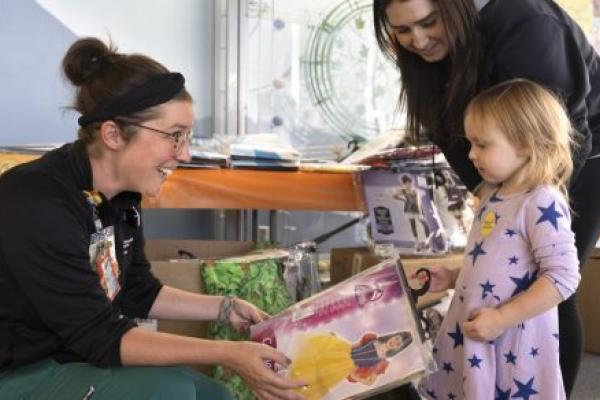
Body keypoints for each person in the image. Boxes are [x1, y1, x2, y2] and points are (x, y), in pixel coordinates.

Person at [0, 37, 307, 400]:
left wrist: (225, 307)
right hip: (19, 371)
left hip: (71, 359)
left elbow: (135, 291)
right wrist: (229, 353)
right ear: (113, 134)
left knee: (216, 396)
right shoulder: (37, 199)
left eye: (188, 137)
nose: (186, 153)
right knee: (169, 390)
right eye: (174, 137)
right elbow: (101, 337)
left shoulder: (122, 197)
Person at [373, 0, 600, 395]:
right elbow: (453, 137)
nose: (419, 40)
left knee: (546, 292)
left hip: (575, 152)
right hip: (515, 173)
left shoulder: (528, 25)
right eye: (403, 31)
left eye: (428, 22)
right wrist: (492, 197)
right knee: (505, 283)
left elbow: (564, 134)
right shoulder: (431, 57)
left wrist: (521, 201)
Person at [417, 79, 580, 399]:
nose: (472, 154)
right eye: (470, 144)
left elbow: (563, 276)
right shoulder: (494, 194)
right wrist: (452, 278)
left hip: (510, 342)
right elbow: (493, 260)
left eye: (482, 144)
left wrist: (502, 318)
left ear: (524, 143)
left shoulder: (541, 200)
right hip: (477, 334)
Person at [288, 331, 413, 400]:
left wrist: (354, 374)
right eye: (396, 338)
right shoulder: (373, 338)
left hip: (345, 367)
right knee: (314, 359)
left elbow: (370, 382)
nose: (394, 342)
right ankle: (292, 373)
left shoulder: (384, 362)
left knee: (318, 379)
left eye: (398, 344)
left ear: (398, 349)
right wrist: (337, 338)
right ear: (393, 335)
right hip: (342, 352)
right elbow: (354, 345)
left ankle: (292, 388)